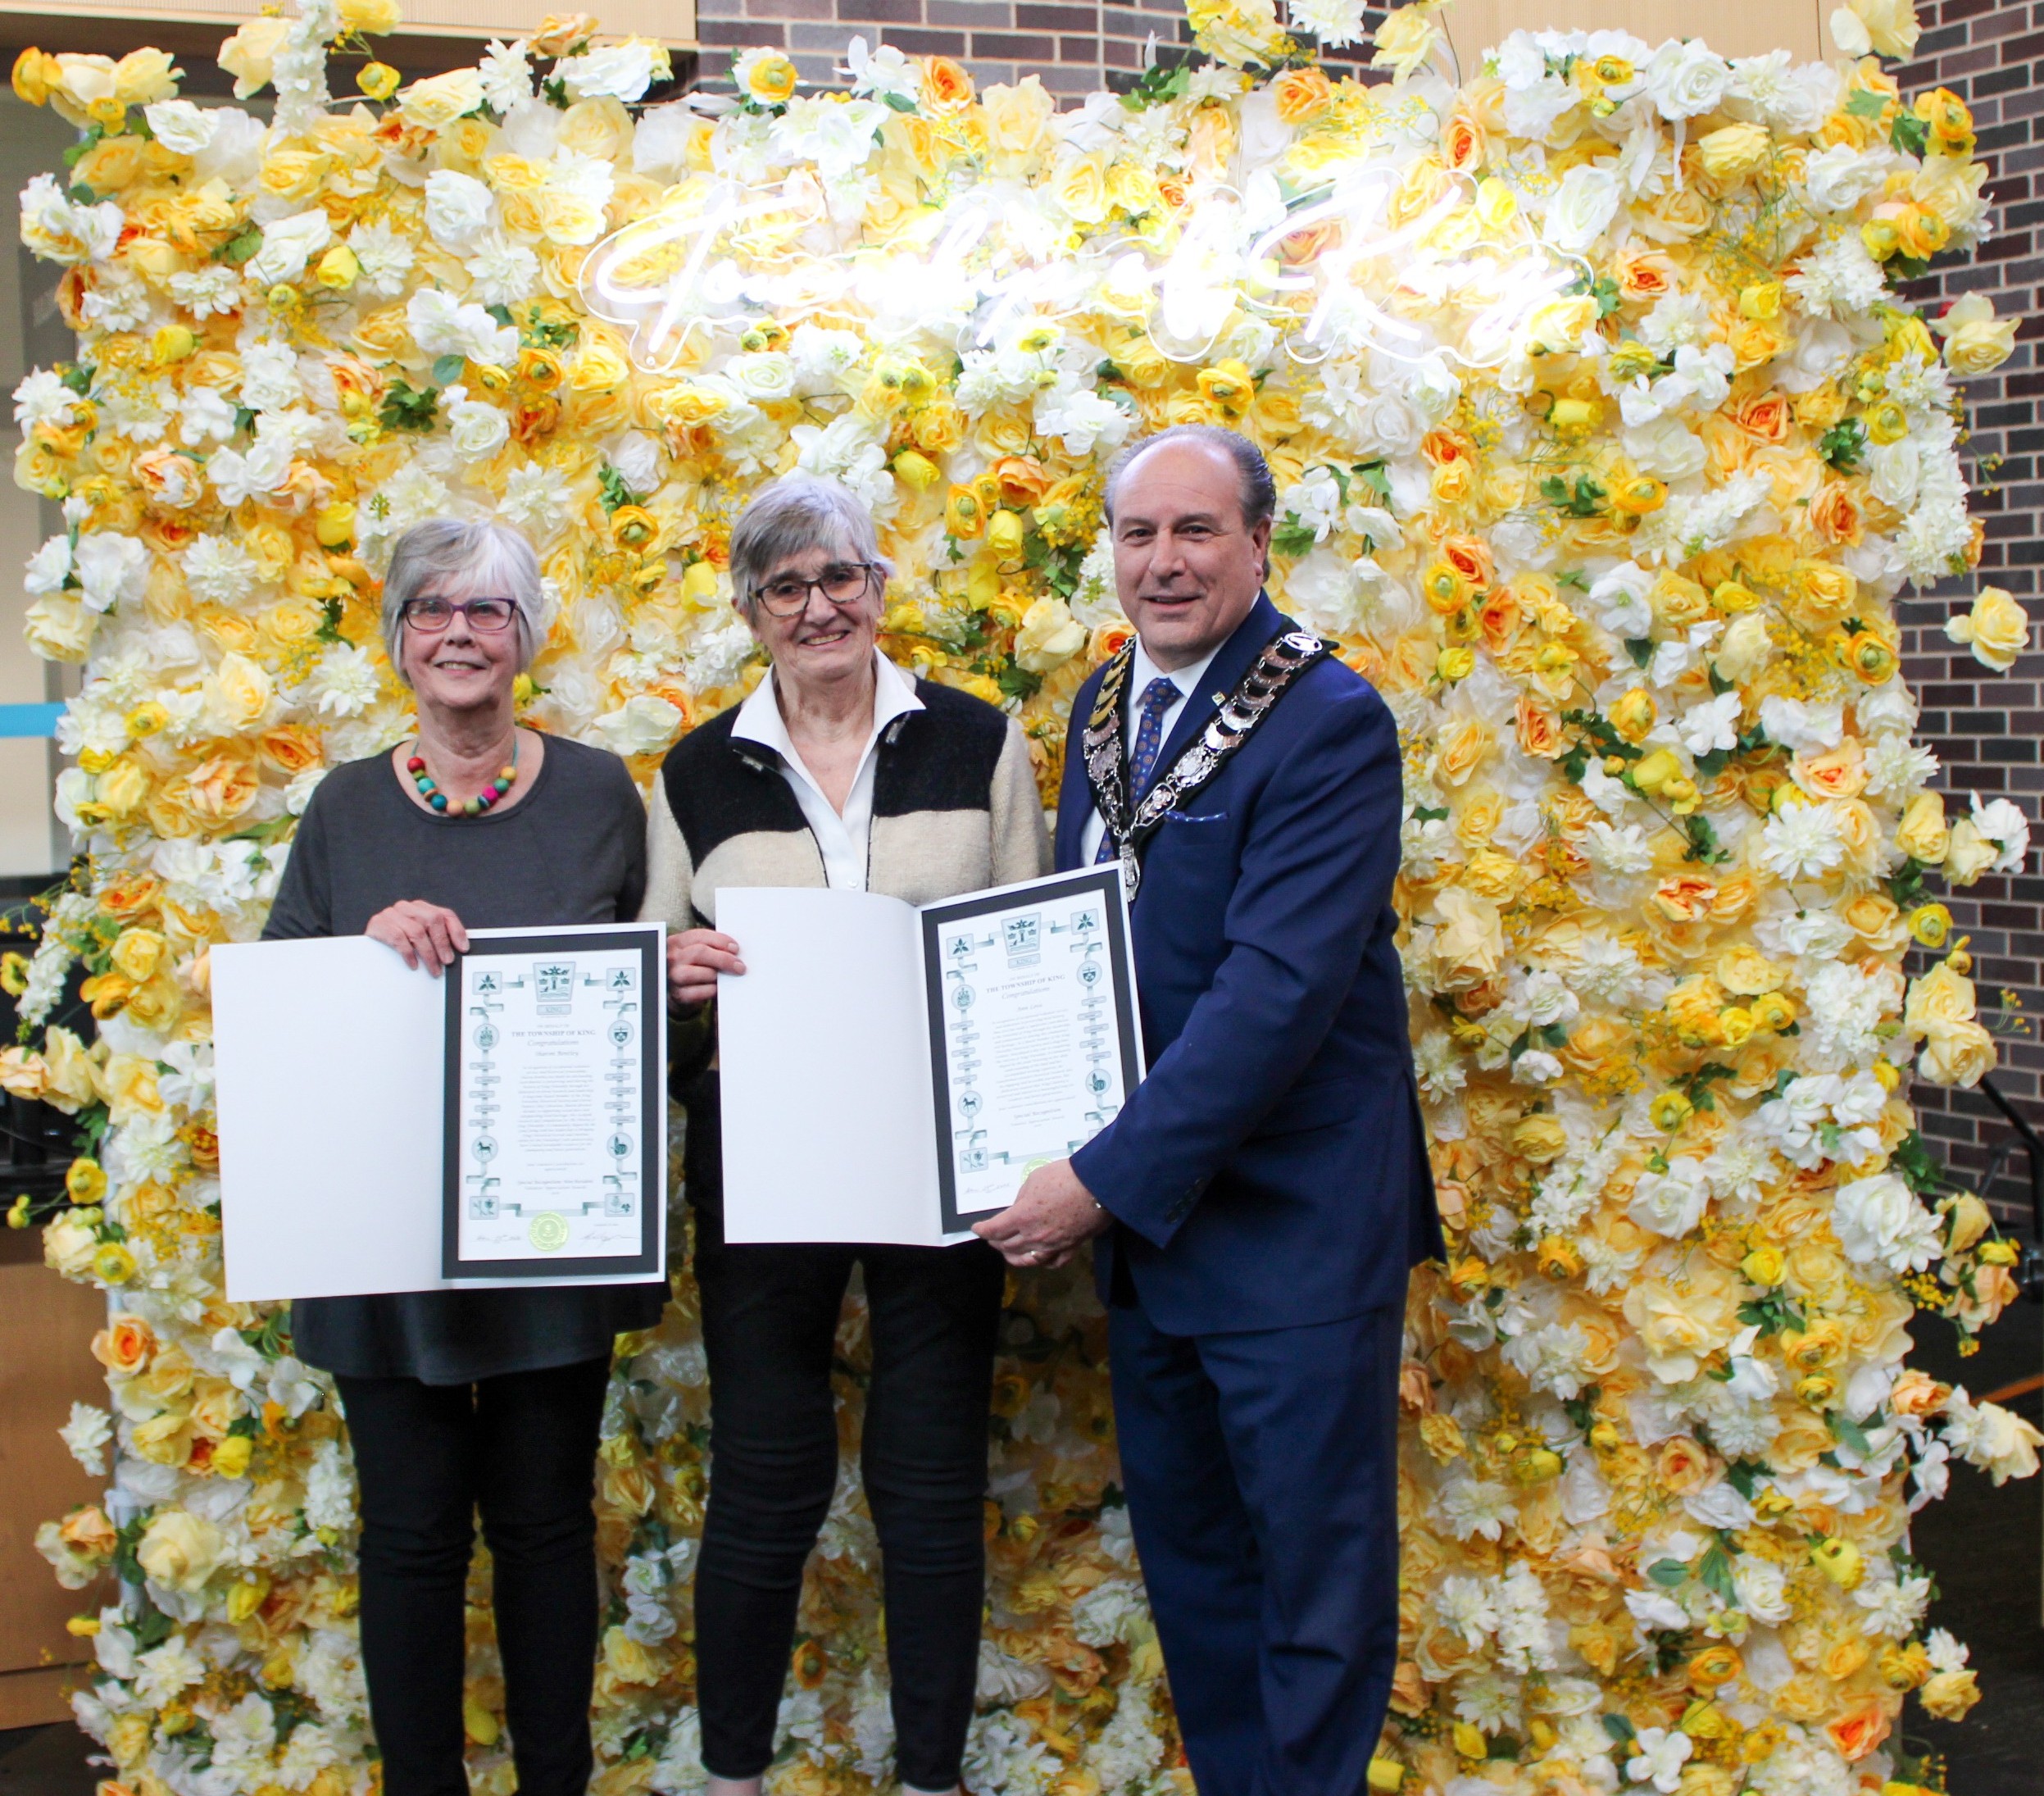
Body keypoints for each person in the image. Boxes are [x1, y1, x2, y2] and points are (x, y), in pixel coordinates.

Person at [974, 425, 1443, 1796]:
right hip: (1156, 1237)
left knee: (1312, 1577)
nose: (1162, 562)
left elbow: (1276, 995)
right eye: (1137, 535)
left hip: (1291, 1230)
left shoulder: (1330, 718)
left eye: (1194, 532)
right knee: (1194, 1570)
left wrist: (1096, 1177)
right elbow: (1081, 957)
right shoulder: (1105, 703)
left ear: (1256, 544)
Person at [641, 475, 1047, 1796]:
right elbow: (657, 975)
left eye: (841, 578)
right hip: (763, 1164)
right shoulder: (695, 772)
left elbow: (1031, 954)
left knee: (927, 1483)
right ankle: (734, 1778)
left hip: (943, 1168)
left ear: (879, 587)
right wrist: (678, 977)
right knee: (766, 1479)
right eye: (786, 585)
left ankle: (931, 1778)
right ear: (751, 611)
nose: (818, 606)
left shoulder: (978, 741)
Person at [262, 518, 668, 1796]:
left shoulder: (606, 791)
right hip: (383, 1242)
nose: (457, 634)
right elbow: (282, 1006)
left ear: (526, 636)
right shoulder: (342, 806)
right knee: (411, 1539)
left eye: (487, 611)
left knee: (548, 1534)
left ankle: (558, 1783)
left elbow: (645, 997)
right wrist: (362, 946)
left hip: (550, 1240)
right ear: (395, 641)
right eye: (431, 610)